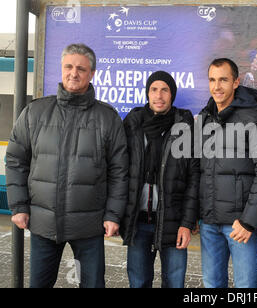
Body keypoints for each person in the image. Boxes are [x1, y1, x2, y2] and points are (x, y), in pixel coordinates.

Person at [6, 43, 129, 288]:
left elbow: (119, 171)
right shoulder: (35, 112)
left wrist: (113, 215)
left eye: (81, 69)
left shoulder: (108, 117)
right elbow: (16, 160)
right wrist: (19, 205)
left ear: (92, 74)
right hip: (43, 224)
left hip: (89, 226)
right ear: (61, 69)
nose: (74, 73)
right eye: (69, 66)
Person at [198, 58, 257, 288]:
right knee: (211, 286)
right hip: (209, 224)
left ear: (236, 82)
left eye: (223, 79)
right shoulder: (204, 119)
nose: (217, 86)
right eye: (212, 80)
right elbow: (198, 171)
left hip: (239, 226)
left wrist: (248, 221)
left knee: (245, 289)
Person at [120, 71, 199, 288]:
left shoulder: (184, 125)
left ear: (172, 94)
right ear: (147, 93)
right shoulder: (133, 123)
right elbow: (120, 172)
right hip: (139, 222)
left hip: (173, 222)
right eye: (154, 89)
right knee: (138, 282)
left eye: (164, 90)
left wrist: (187, 223)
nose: (159, 95)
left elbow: (193, 178)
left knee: (174, 283)